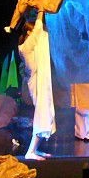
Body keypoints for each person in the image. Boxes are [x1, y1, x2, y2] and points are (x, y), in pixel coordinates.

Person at [17, 10, 56, 160]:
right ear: (29, 32)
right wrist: (41, 11)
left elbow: (40, 30)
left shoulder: (29, 45)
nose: (36, 35)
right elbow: (38, 29)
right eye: (33, 32)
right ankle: (30, 152)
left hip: (36, 80)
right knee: (42, 115)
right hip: (35, 82)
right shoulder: (26, 47)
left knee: (44, 113)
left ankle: (35, 149)